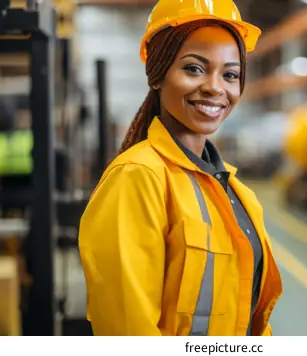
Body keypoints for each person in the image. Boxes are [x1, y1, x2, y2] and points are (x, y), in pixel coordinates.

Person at [78, 0, 283, 336]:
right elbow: (128, 329)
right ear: (158, 74)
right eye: (194, 68)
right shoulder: (138, 178)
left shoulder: (237, 193)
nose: (216, 87)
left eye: (230, 74)